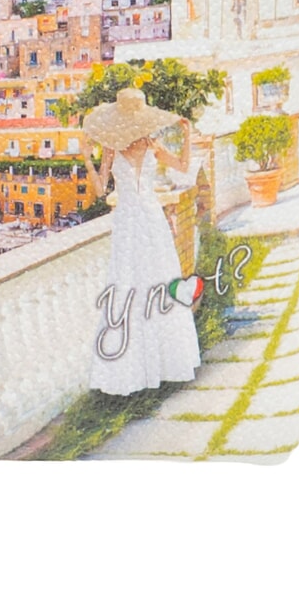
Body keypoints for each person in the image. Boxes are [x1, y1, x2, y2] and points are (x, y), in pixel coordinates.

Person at [83, 85, 201, 394]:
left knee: (157, 278)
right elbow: (100, 190)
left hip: (148, 217)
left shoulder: (152, 144)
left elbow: (183, 167)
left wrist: (187, 136)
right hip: (129, 219)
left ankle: (163, 362)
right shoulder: (112, 148)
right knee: (129, 281)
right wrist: (87, 159)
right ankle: (136, 368)